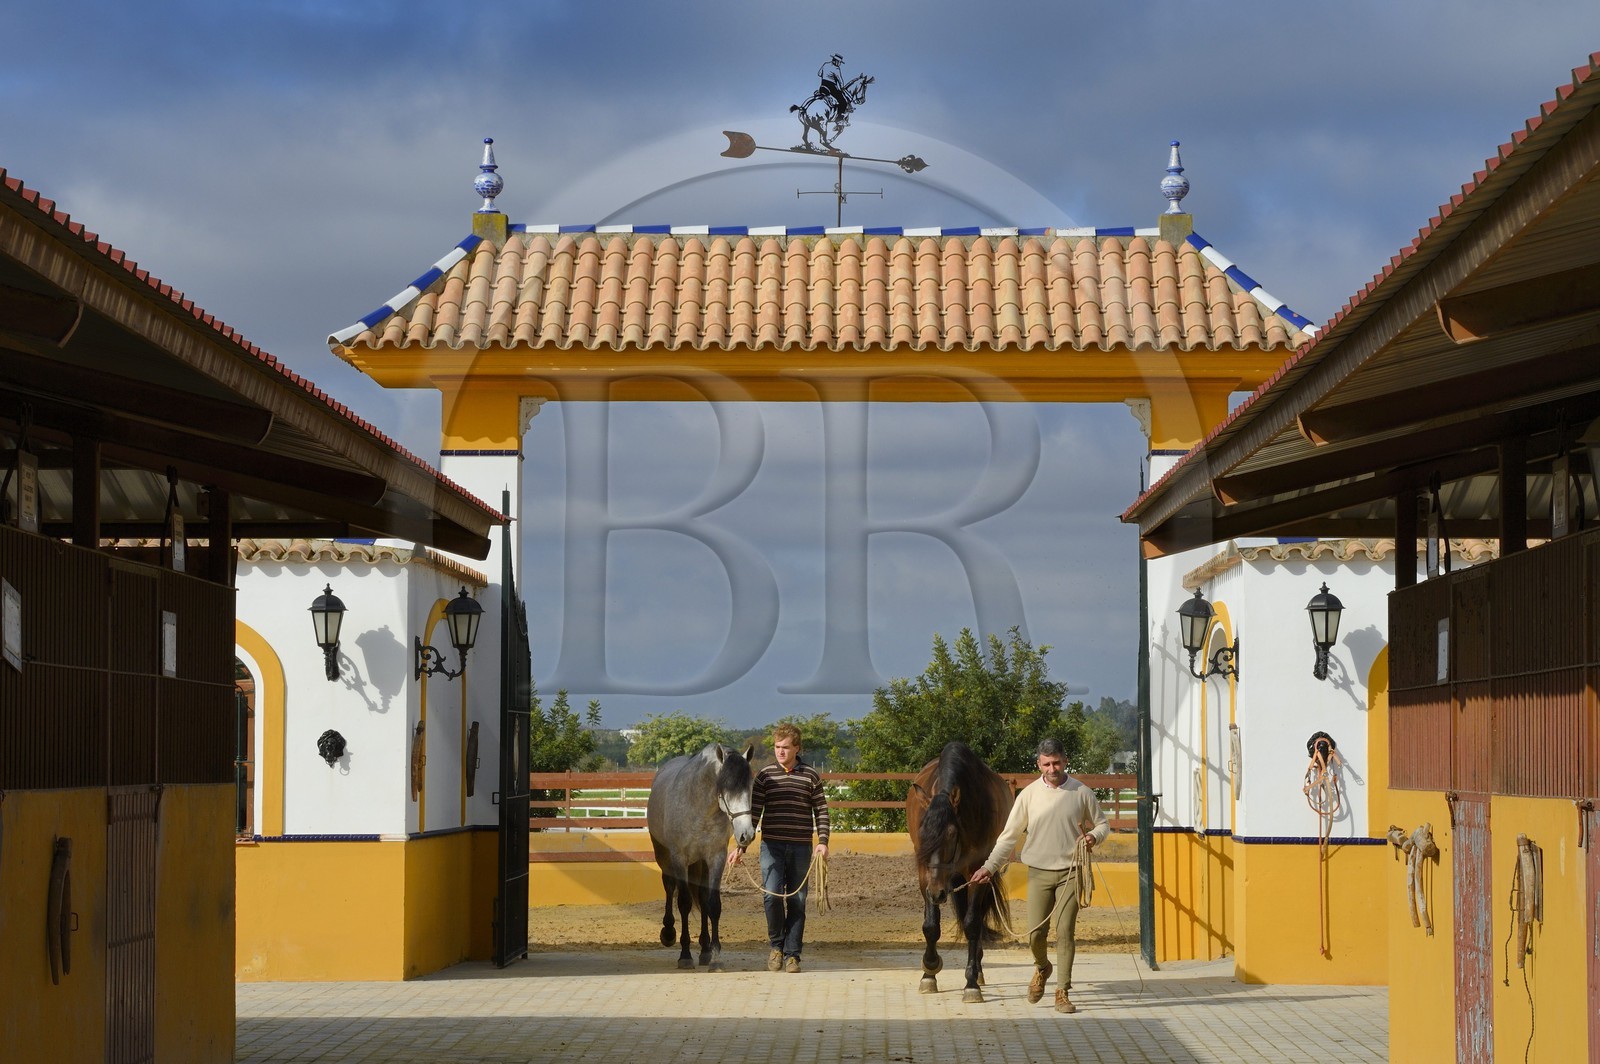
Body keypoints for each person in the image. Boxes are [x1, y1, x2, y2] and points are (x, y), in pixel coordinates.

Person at [969, 738, 1109, 1014]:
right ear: (1039, 765)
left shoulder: (1082, 792)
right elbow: (1008, 838)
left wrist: (1093, 836)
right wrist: (988, 867)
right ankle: (1042, 967)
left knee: (1065, 931)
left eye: (1056, 762)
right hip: (1039, 872)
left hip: (1071, 872)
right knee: (1035, 934)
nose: (1052, 768)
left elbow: (1103, 824)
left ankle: (1062, 991)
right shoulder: (1028, 795)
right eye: (1046, 764)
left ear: (1065, 761)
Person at [730, 723, 829, 972]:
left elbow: (822, 812)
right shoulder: (765, 776)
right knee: (771, 896)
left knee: (798, 900)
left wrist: (823, 843)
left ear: (797, 747)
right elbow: (753, 815)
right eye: (777, 747)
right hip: (771, 846)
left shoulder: (811, 776)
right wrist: (740, 847)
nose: (780, 752)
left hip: (800, 848)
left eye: (785, 747)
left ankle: (793, 954)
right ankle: (776, 947)